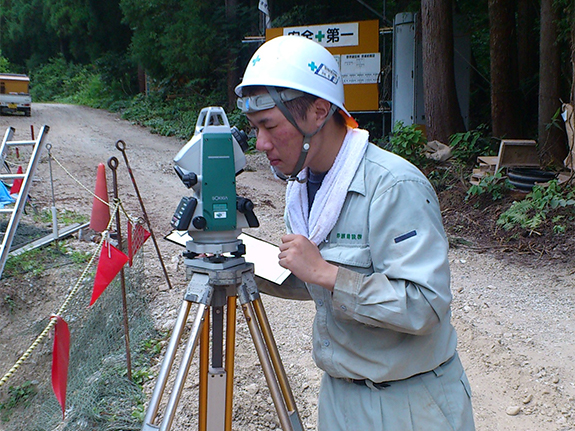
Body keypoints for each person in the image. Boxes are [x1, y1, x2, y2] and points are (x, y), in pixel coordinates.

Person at [235, 35, 475, 431]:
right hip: (340, 398)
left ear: (318, 111)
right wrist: (238, 263)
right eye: (254, 128)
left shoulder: (392, 185)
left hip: (411, 405)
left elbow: (426, 306)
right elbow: (313, 283)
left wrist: (328, 273)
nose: (260, 143)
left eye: (269, 125)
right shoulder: (304, 187)